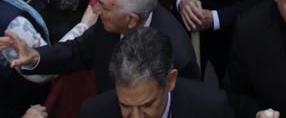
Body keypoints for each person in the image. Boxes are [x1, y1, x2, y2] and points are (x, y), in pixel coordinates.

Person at [16, 0, 197, 92]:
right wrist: (37, 57)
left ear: (131, 20)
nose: (95, 10)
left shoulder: (178, 58)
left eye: (103, 5)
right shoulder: (111, 21)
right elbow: (78, 51)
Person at [78, 27, 234, 118]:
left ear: (170, 81)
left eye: (147, 105)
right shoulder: (94, 113)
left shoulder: (212, 110)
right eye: (125, 105)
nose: (136, 117)